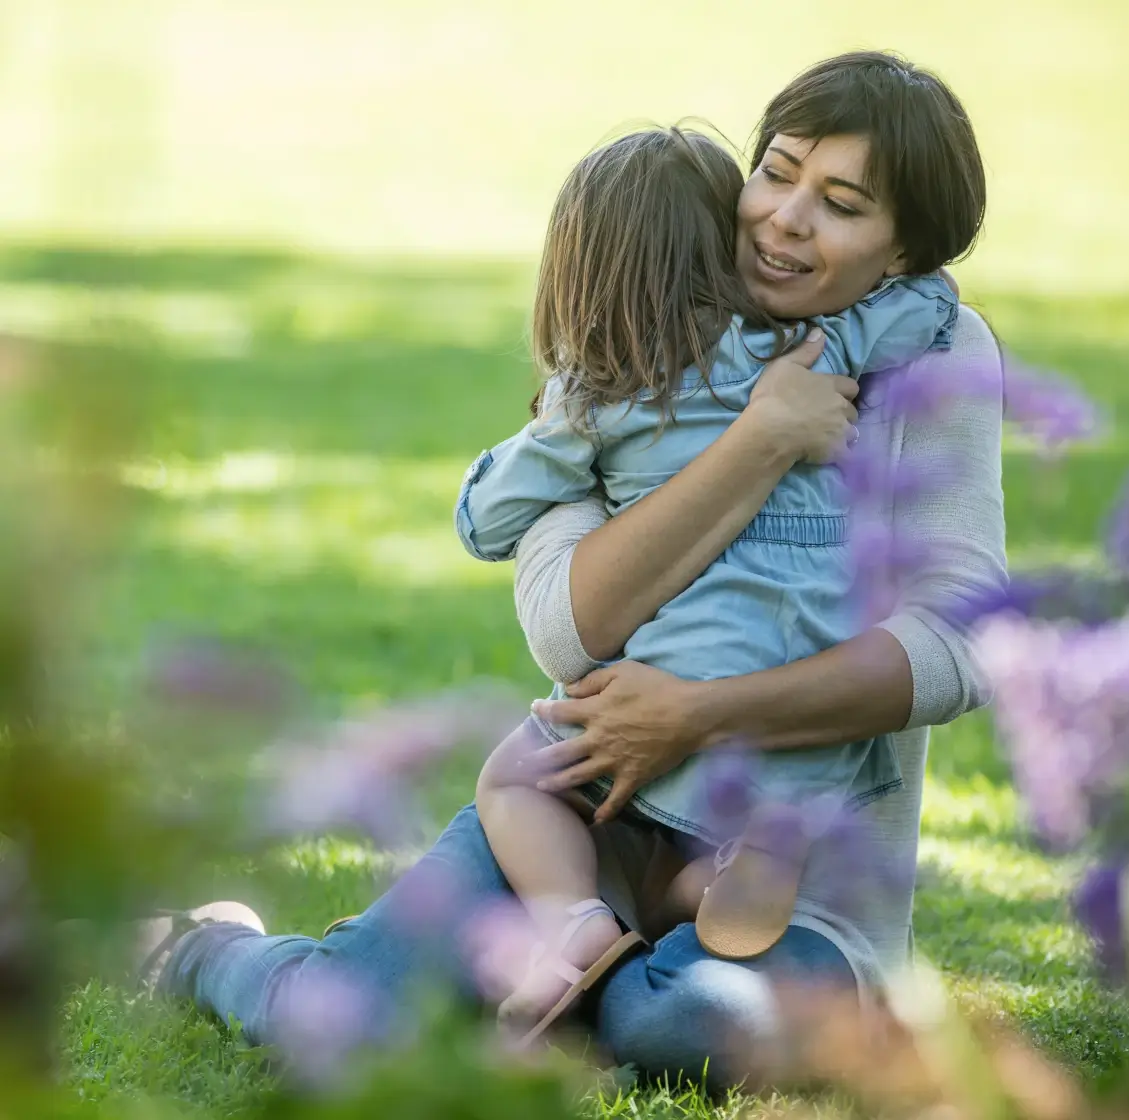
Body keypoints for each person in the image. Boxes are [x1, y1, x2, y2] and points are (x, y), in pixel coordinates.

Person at [145, 51, 1007, 1090]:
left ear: (903, 250)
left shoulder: (933, 356)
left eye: (840, 205)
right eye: (775, 172)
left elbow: (957, 647)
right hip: (582, 812)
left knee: (680, 1023)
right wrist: (763, 437)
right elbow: (567, 632)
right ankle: (206, 947)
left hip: (796, 870)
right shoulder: (631, 333)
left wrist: (700, 712)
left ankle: (532, 987)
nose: (783, 218)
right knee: (349, 1014)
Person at [458, 121, 957, 1038]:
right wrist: (916, 281)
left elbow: (488, 522)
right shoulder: (806, 354)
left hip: (666, 696)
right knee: (691, 880)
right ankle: (730, 869)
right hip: (802, 698)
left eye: (842, 206)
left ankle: (574, 922)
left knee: (513, 779)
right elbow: (925, 315)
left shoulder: (598, 398)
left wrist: (544, 433)